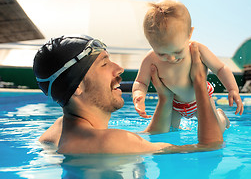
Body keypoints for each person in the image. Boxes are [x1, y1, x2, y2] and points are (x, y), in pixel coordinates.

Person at [33, 35, 224, 154]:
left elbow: (148, 136)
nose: (119, 69)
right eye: (104, 64)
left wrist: (165, 98)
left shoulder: (56, 131)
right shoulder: (114, 142)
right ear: (77, 87)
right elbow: (210, 147)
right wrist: (199, 81)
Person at [132, 0, 243, 131]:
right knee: (167, 131)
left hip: (200, 101)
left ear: (189, 34)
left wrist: (232, 89)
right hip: (174, 105)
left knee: (216, 129)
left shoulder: (197, 49)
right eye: (162, 54)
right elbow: (141, 82)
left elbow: (220, 68)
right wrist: (138, 95)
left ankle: (221, 117)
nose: (171, 58)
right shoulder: (150, 59)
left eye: (177, 51)